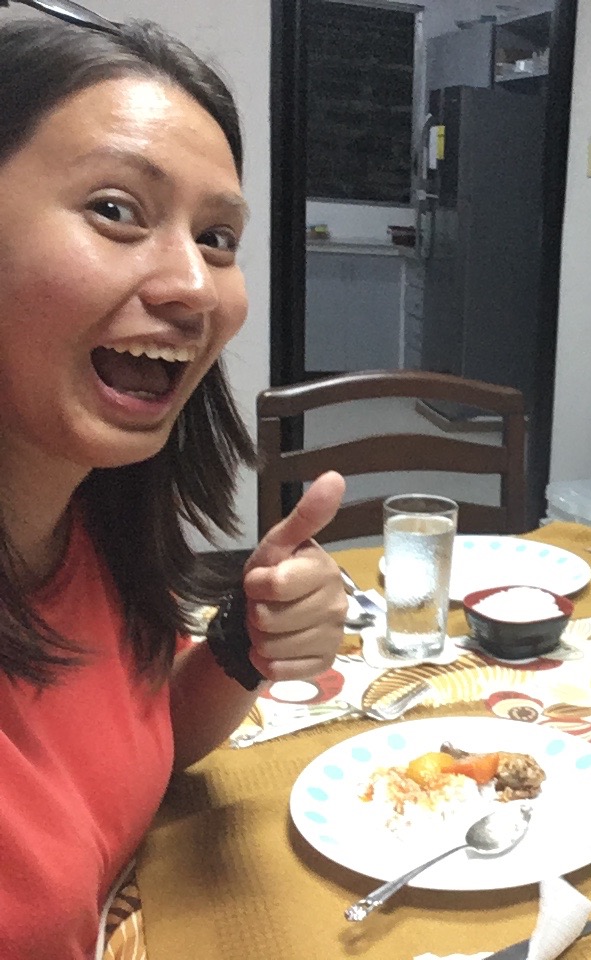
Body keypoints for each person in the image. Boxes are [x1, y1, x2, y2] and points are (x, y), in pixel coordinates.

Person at [0, 16, 347, 959]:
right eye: (116, 210)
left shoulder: (89, 525)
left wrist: (246, 638)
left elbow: (138, 756)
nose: (195, 285)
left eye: (218, 237)